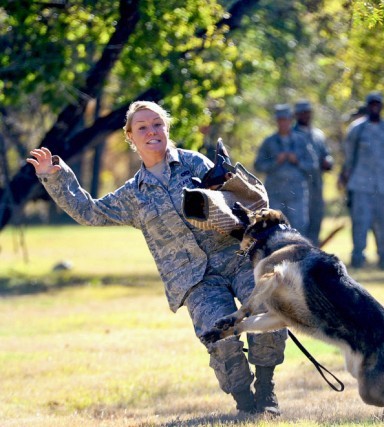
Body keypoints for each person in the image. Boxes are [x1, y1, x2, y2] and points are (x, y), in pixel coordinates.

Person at [26, 101, 287, 416]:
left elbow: (244, 198)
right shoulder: (132, 195)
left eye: (157, 124)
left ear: (166, 129)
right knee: (221, 336)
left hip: (234, 257)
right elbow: (89, 212)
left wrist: (228, 183)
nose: (151, 131)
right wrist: (55, 177)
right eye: (142, 127)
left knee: (266, 312)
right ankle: (245, 401)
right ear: (131, 137)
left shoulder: (194, 163)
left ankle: (266, 389)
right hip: (194, 279)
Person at [342, 91, 384, 270]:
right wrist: (345, 176)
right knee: (360, 224)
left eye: (378, 104)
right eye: (371, 104)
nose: (375, 107)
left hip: (383, 185)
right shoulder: (357, 129)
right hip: (361, 186)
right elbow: (349, 156)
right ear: (367, 106)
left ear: (382, 106)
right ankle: (358, 259)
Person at [254, 104, 316, 237]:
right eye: (280, 120)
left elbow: (312, 165)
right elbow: (258, 165)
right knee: (274, 229)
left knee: (299, 228)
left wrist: (298, 162)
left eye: (286, 120)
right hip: (275, 193)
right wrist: (275, 162)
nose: (283, 123)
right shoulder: (269, 142)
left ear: (291, 120)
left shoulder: (301, 140)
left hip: (297, 193)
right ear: (277, 121)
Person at [293, 100, 334, 246]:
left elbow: (326, 154)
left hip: (317, 184)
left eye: (308, 112)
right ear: (296, 115)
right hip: (300, 186)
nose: (305, 115)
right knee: (301, 222)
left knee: (317, 218)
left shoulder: (318, 135)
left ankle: (314, 250)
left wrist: (328, 161)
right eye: (302, 112)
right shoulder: (292, 135)